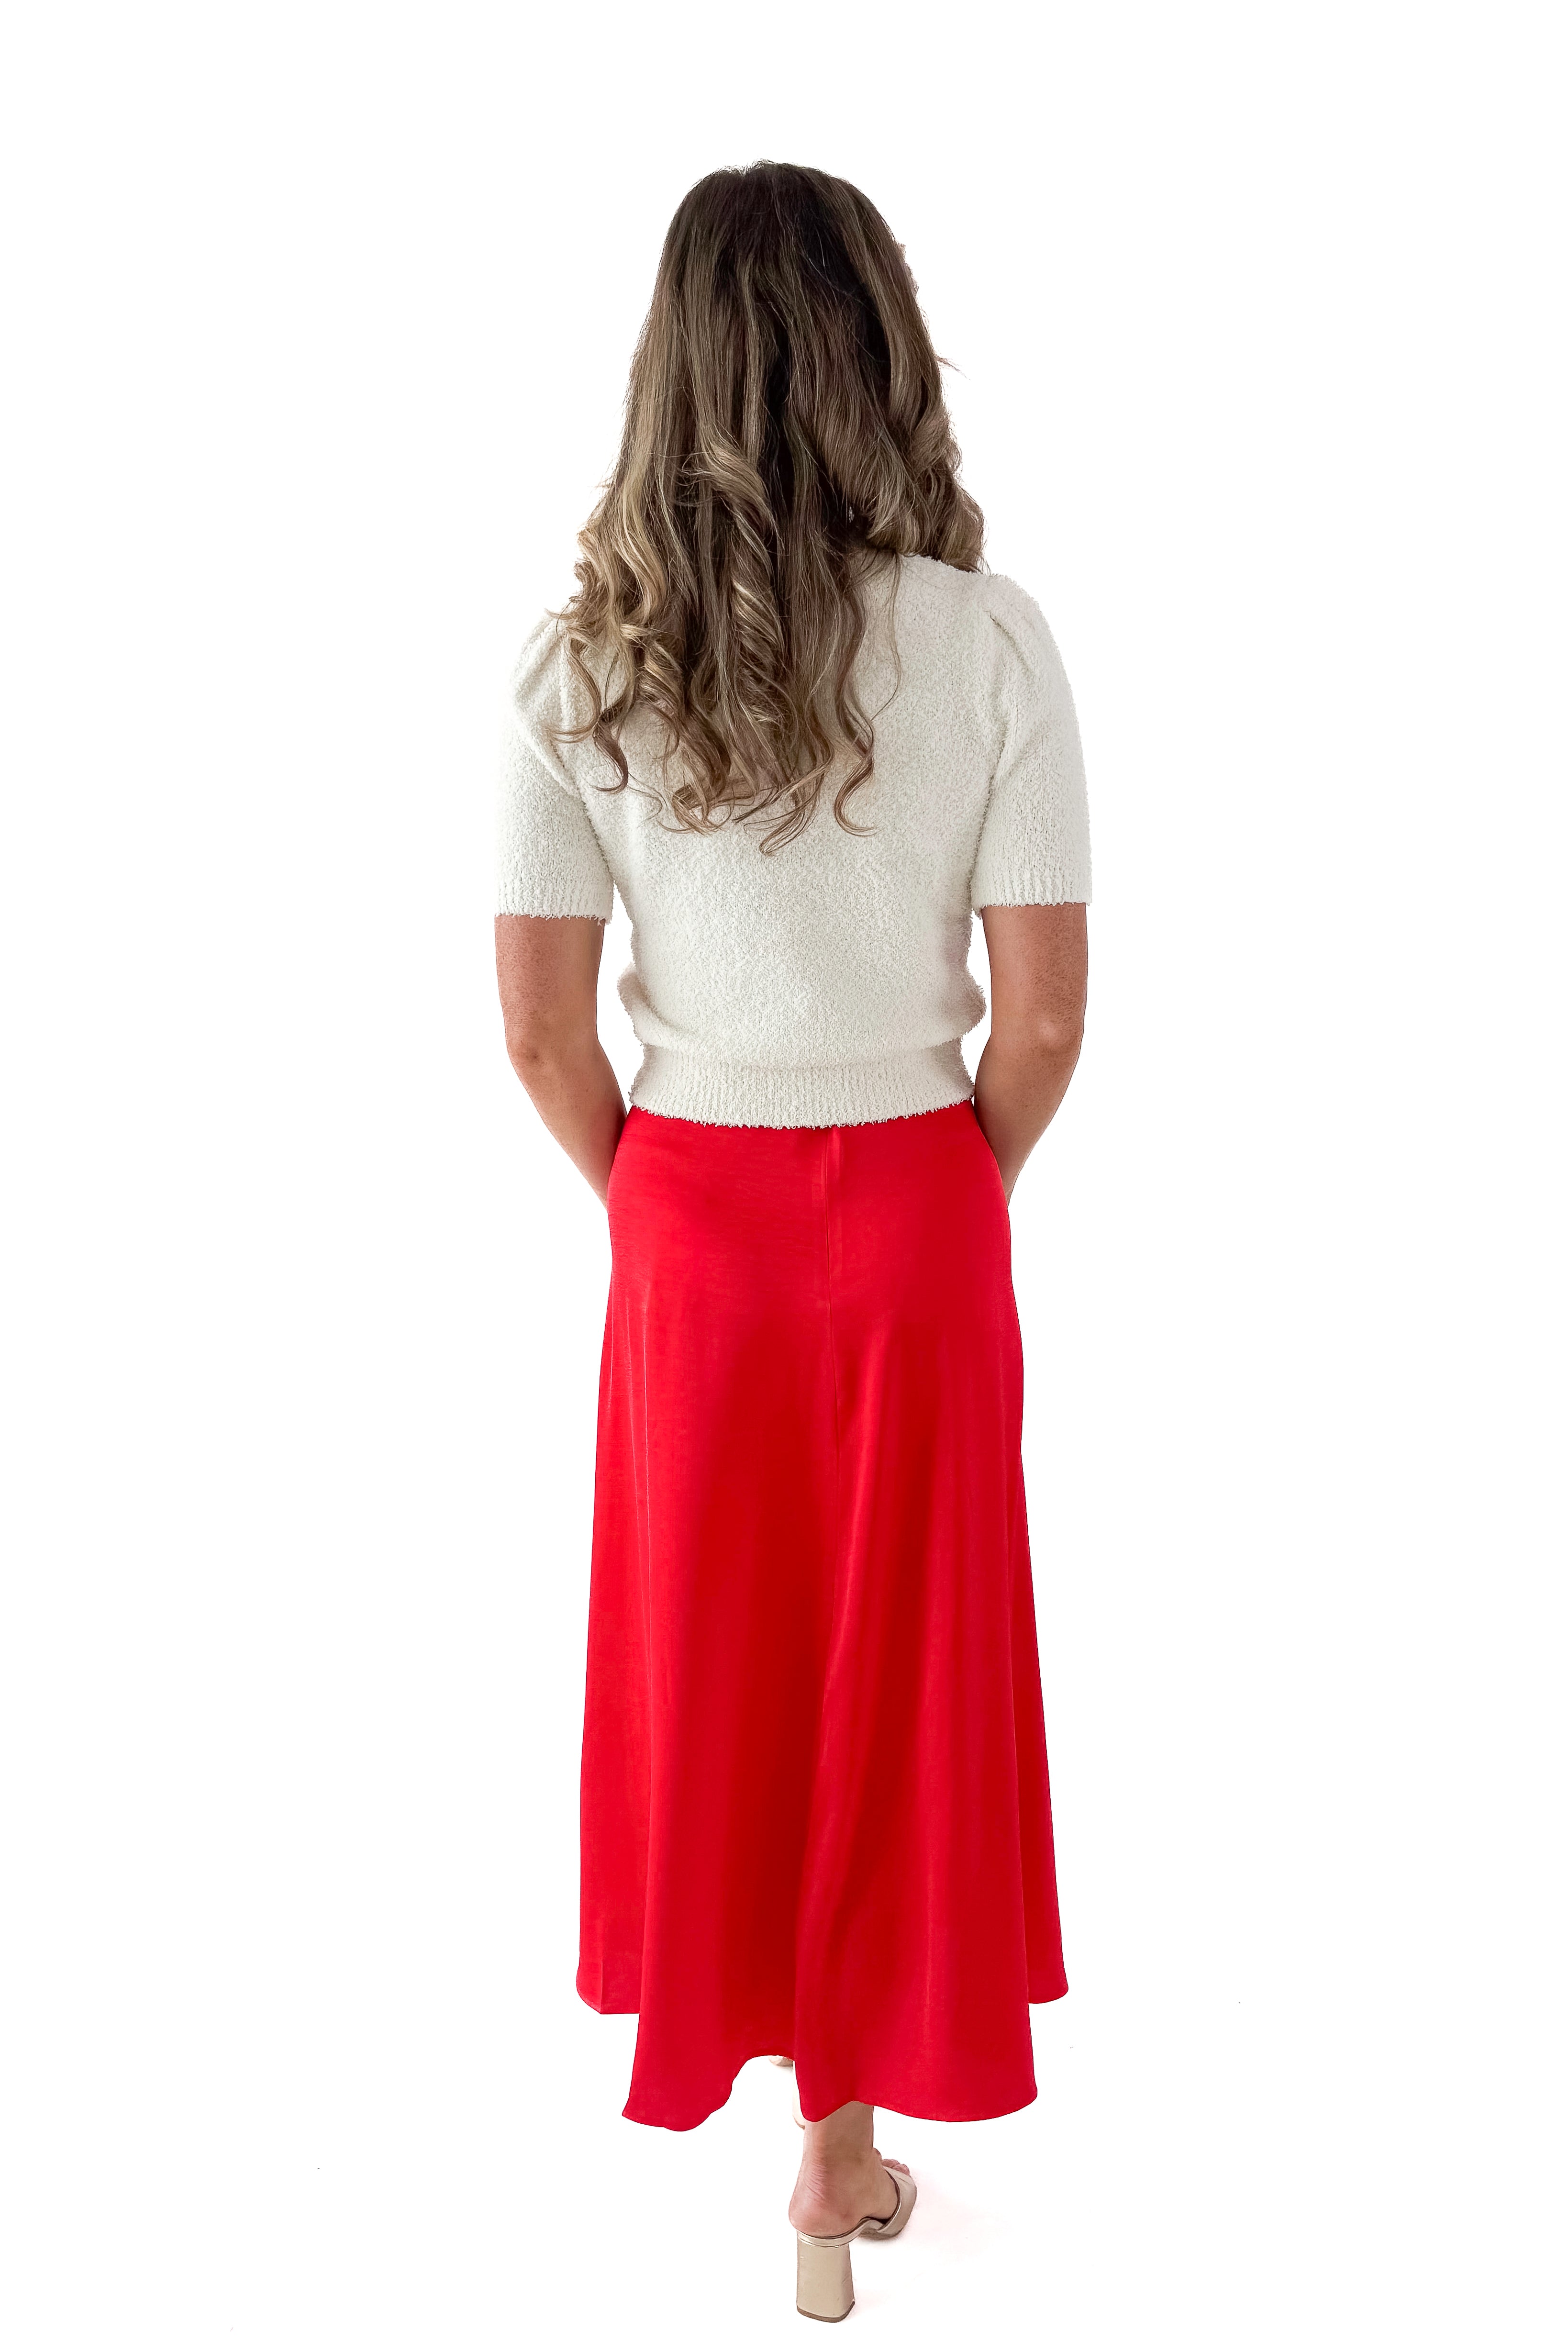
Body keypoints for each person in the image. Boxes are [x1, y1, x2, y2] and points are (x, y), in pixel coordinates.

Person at [494, 160, 1090, 2325]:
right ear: (879, 350)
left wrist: (682, 1204)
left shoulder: (583, 661)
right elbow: (1043, 1019)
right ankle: (845, 2150)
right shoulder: (987, 639)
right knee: (906, 1663)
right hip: (923, 1196)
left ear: (673, 365)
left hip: (689, 1218)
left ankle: (809, 2141)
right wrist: (934, 1195)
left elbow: (542, 1034)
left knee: (722, 1653)